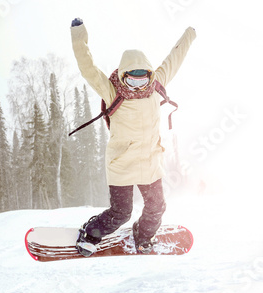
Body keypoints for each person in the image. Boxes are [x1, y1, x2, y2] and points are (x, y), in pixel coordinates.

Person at [70, 17, 196, 256]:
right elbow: (88, 68)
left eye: (143, 79)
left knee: (157, 207)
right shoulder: (112, 91)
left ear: (149, 75)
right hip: (122, 164)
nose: (138, 86)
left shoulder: (156, 84)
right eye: (132, 80)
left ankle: (143, 236)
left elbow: (174, 58)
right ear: (123, 76)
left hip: (150, 163)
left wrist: (190, 34)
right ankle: (90, 234)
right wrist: (79, 35)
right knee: (121, 213)